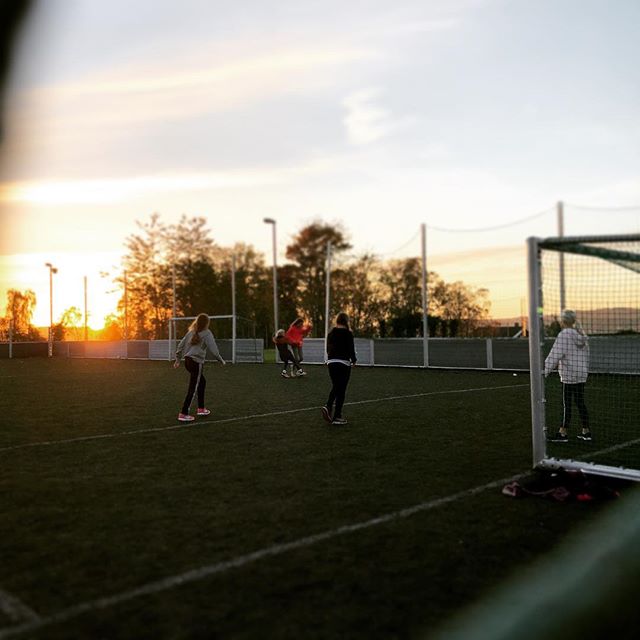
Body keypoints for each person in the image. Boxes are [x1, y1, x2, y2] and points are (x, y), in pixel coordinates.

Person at [544, 309, 591, 442]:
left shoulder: (564, 335)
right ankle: (586, 431)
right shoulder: (580, 335)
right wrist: (584, 371)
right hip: (581, 374)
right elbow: (586, 356)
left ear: (563, 321)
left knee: (567, 404)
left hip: (569, 375)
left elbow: (555, 355)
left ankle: (563, 432)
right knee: (580, 403)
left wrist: (544, 371)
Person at [174, 313, 226, 422]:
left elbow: (180, 346)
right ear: (207, 323)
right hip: (196, 363)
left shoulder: (191, 332)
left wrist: (178, 359)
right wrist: (221, 360)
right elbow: (214, 350)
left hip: (187, 362)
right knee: (193, 388)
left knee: (202, 382)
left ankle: (201, 409)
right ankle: (183, 413)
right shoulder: (207, 333)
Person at [321, 312, 357, 425]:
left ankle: (331, 409)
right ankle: (334, 413)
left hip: (331, 362)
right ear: (346, 321)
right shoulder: (348, 333)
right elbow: (351, 348)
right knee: (341, 389)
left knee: (337, 386)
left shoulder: (331, 333)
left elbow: (328, 348)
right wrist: (354, 360)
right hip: (343, 363)